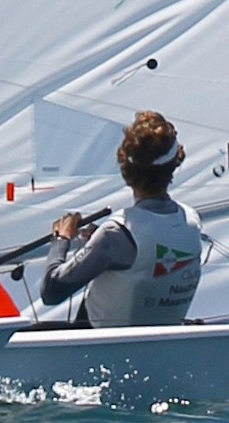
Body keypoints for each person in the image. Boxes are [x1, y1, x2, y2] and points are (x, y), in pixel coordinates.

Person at [34, 111, 205, 328]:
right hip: (160, 342)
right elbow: (147, 248)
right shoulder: (192, 220)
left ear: (126, 168)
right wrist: (98, 239)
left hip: (102, 350)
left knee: (20, 333)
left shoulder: (115, 235)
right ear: (175, 162)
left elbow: (52, 291)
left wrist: (61, 239)